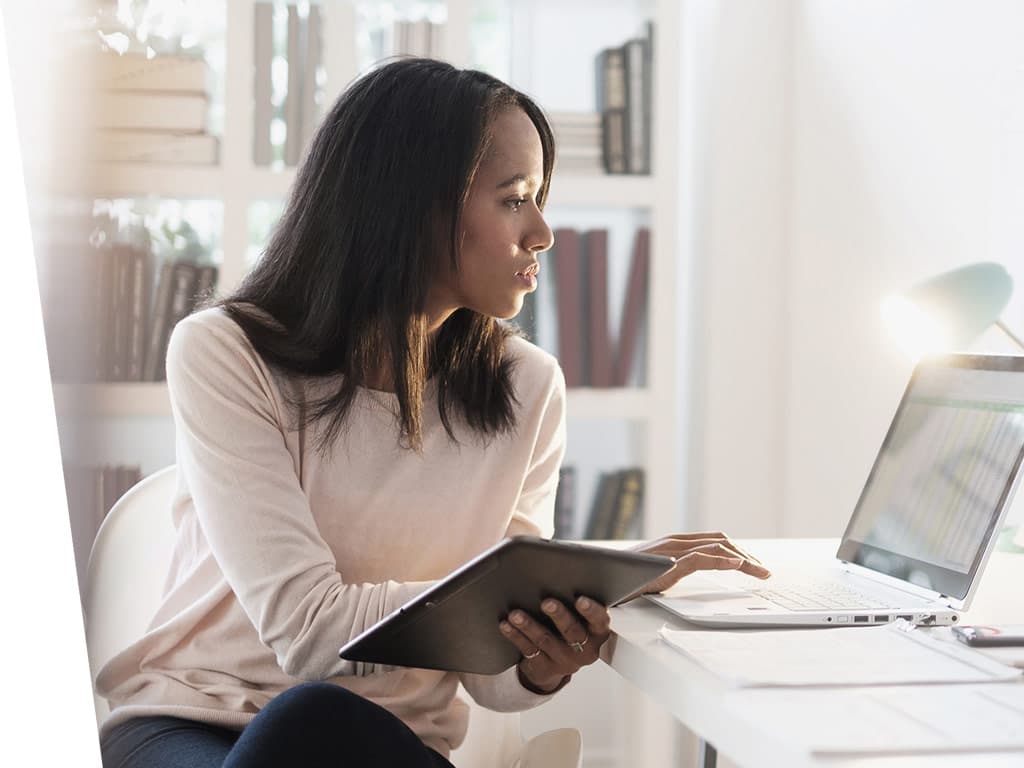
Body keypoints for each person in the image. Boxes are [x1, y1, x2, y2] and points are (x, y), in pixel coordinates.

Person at [94, 57, 770, 768]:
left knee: (326, 724)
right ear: (412, 204)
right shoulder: (226, 352)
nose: (541, 231)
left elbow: (488, 679)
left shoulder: (527, 388)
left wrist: (541, 658)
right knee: (311, 715)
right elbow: (308, 631)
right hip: (195, 726)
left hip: (385, 746)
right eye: (514, 199)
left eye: (539, 197)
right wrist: (595, 567)